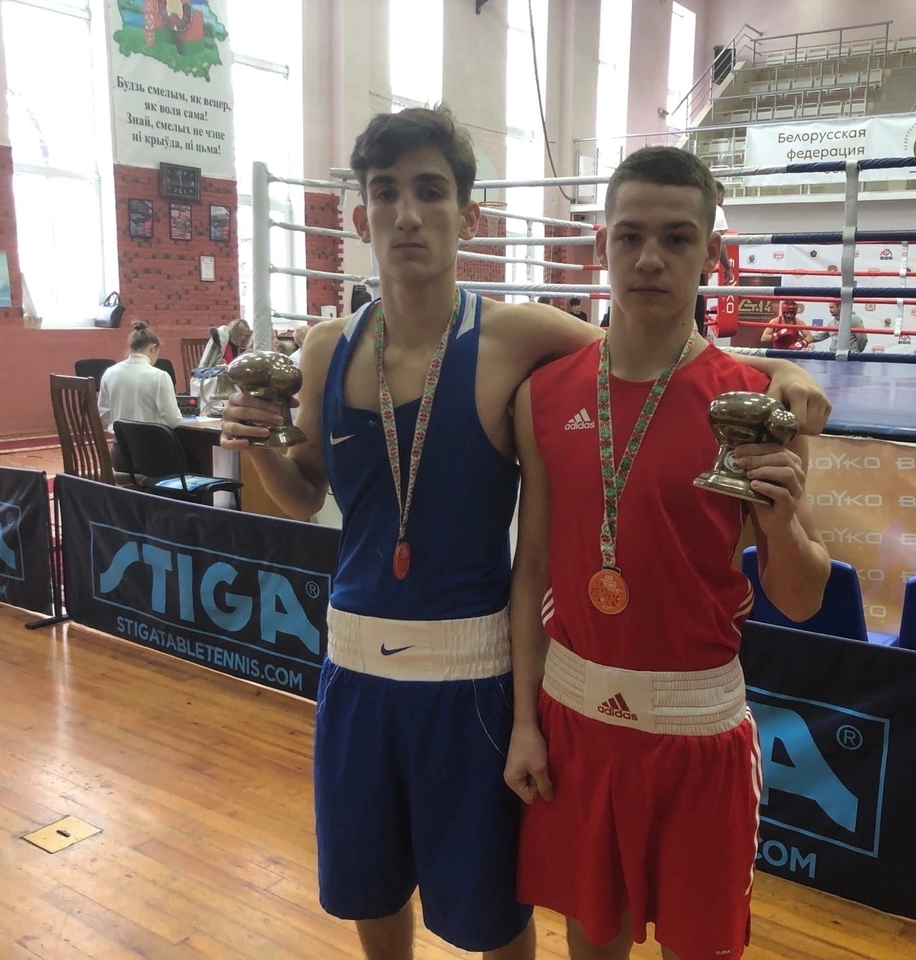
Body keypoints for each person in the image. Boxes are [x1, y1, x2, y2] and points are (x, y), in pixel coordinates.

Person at [217, 106, 831, 960]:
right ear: (358, 217)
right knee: (371, 890)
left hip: (482, 677)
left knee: (496, 920)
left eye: (430, 191)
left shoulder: (519, 337)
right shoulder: (328, 348)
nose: (406, 214)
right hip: (359, 665)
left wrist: (782, 368)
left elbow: (647, 349)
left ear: (469, 216)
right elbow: (304, 494)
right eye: (385, 194)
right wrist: (255, 447)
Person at [506, 145, 830, 960]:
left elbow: (801, 598)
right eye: (631, 236)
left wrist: (782, 524)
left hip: (698, 732)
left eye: (677, 238)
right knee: (592, 946)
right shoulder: (545, 394)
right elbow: (532, 568)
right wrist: (523, 724)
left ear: (711, 253)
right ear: (602, 245)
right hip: (576, 723)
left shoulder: (756, 406)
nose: (650, 258)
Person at [97, 321, 182, 471]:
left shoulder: (110, 373)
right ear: (153, 348)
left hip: (120, 456)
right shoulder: (160, 376)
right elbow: (172, 420)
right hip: (151, 458)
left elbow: (104, 416)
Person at [694, 179, 734, 335]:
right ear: (720, 194)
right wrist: (727, 267)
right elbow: (718, 240)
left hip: (683, 263)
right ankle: (695, 340)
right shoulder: (715, 209)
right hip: (697, 264)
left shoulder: (694, 206)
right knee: (696, 305)